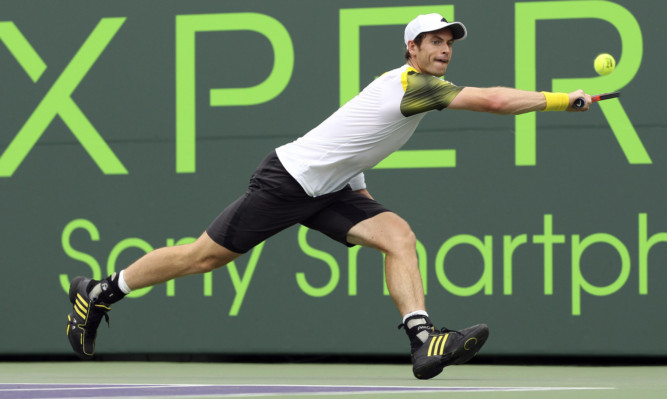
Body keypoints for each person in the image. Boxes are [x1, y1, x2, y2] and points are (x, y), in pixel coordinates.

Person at [66, 13, 591, 379]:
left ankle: (422, 340)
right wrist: (564, 99)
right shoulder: (415, 85)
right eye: (434, 40)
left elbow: (354, 143)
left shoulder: (412, 87)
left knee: (400, 237)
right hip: (289, 180)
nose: (444, 48)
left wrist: (360, 193)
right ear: (412, 49)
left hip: (335, 187)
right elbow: (496, 101)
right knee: (204, 258)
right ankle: (102, 291)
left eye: (449, 42)